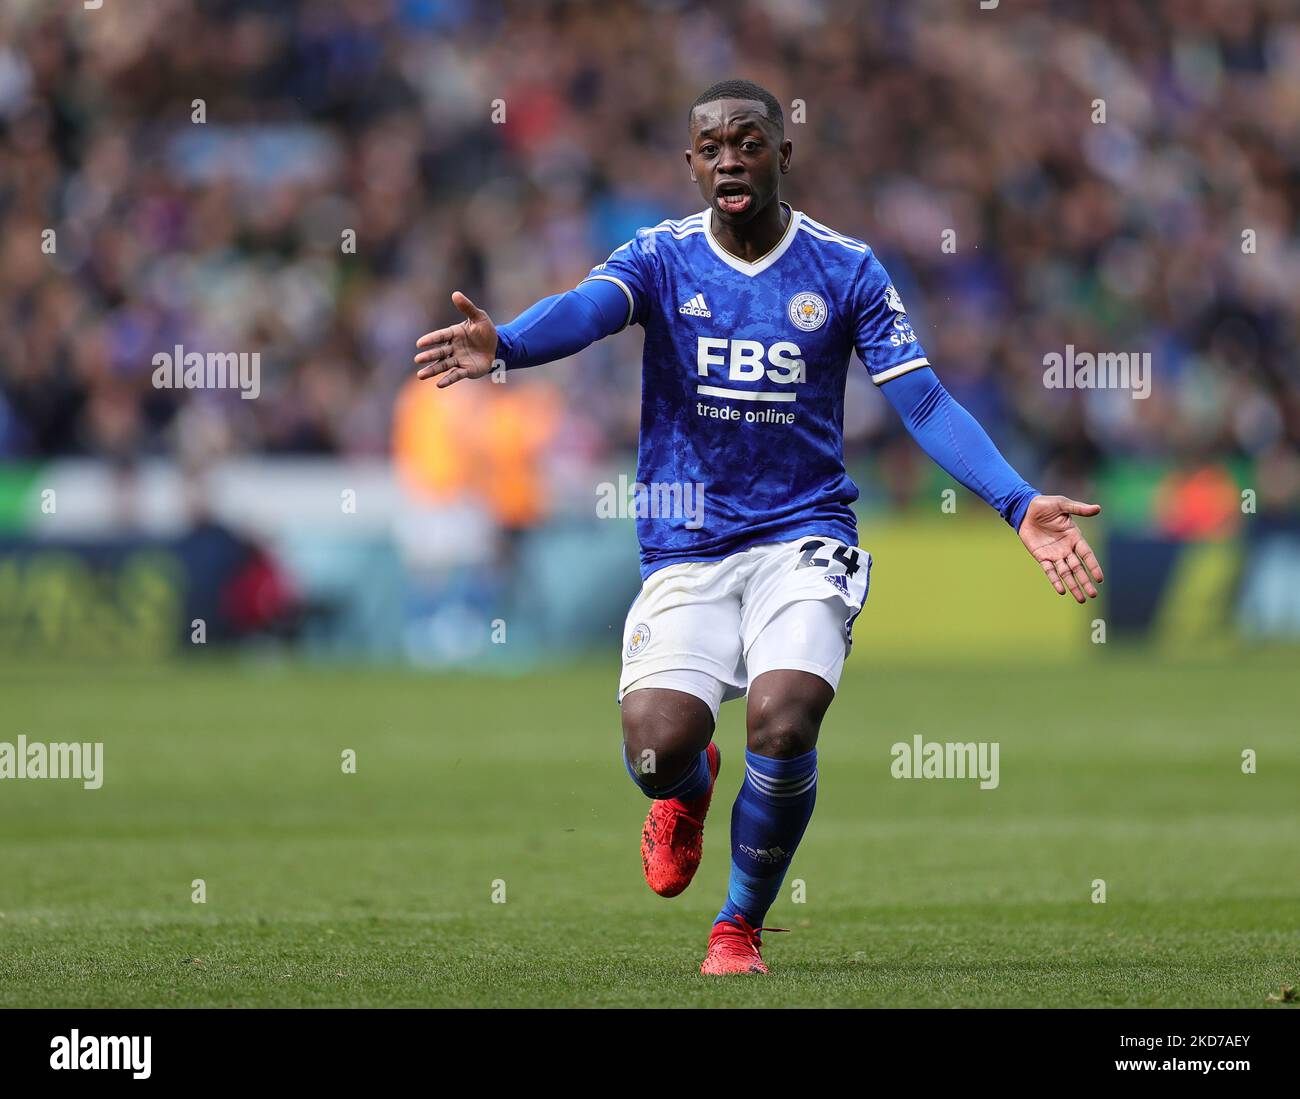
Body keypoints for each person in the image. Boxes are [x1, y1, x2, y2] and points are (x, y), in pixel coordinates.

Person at [414, 79, 1104, 975]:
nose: (729, 157)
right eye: (711, 145)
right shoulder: (662, 256)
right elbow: (590, 312)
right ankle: (687, 791)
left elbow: (923, 399)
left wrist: (1017, 501)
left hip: (803, 534)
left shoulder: (846, 268)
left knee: (783, 720)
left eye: (748, 141)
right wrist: (507, 344)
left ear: (785, 153)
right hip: (687, 543)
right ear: (691, 163)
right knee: (656, 750)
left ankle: (737, 925)